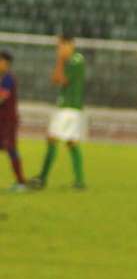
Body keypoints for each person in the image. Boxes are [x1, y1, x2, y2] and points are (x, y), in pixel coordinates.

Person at [31, 34, 87, 190]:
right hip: (69, 108)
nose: (59, 49)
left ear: (70, 45)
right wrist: (61, 61)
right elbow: (55, 79)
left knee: (52, 139)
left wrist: (61, 60)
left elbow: (62, 80)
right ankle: (79, 182)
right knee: (71, 142)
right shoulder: (70, 60)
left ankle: (42, 178)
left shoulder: (77, 60)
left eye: (61, 45)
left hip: (69, 107)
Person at [0, 50, 27, 192]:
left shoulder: (8, 79)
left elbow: (1, 98)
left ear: (6, 63)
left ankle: (21, 182)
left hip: (8, 122)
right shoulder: (3, 78)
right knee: (10, 149)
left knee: (11, 149)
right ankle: (21, 182)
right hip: (2, 121)